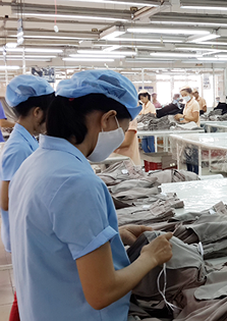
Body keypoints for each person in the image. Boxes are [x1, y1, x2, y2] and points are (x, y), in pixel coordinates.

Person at [9, 70, 173, 321]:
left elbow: (51, 240)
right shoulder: (75, 182)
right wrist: (150, 257)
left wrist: (109, 237)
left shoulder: (34, 164)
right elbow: (101, 293)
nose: (120, 138)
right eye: (123, 128)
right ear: (108, 119)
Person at [1, 75, 54, 321]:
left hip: (26, 231)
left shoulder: (26, 141)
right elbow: (6, 199)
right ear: (36, 112)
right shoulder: (18, 148)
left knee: (26, 294)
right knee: (25, 295)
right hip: (23, 233)